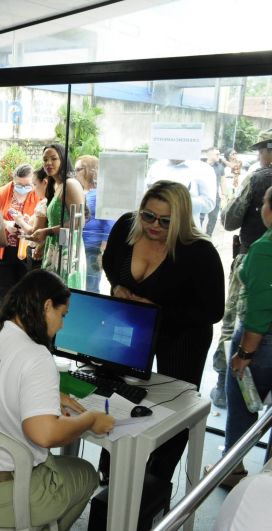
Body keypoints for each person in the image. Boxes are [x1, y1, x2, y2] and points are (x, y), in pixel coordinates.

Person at [0, 269, 114, 530]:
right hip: (4, 496)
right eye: (62, 315)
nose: (62, 325)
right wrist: (90, 420)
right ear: (46, 306)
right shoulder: (36, 356)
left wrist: (49, 394)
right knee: (86, 473)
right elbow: (44, 434)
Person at [102, 180, 224, 484]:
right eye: (148, 216)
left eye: (165, 221)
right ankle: (111, 466)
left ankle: (157, 480)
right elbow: (108, 262)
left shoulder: (199, 252)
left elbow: (212, 311)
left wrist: (158, 310)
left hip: (183, 335)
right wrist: (117, 286)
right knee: (116, 393)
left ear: (180, 219)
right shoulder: (126, 227)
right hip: (131, 326)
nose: (154, 225)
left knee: (174, 407)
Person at [211, 130, 272, 408]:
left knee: (231, 323)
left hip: (252, 260)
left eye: (261, 150)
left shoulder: (259, 179)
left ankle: (224, 385)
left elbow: (229, 219)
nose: (259, 156)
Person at [218, 185, 272, 487]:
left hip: (261, 345)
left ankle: (232, 470)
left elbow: (261, 309)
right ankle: (267, 483)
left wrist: (244, 354)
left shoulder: (266, 248)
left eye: (264, 202)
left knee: (241, 405)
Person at [30, 144, 86, 288]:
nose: (48, 163)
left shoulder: (70, 185)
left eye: (53, 159)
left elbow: (79, 223)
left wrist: (47, 232)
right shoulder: (56, 185)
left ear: (63, 160)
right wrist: (43, 243)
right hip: (56, 248)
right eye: (45, 160)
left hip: (68, 252)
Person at [0, 163, 40, 314]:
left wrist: (25, 222)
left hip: (26, 251)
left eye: (27, 184)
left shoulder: (37, 193)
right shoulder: (4, 192)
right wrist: (6, 224)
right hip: (3, 251)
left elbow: (41, 219)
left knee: (24, 292)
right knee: (3, 292)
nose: (23, 187)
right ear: (13, 180)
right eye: (19, 184)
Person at [75, 155, 114, 293]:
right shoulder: (81, 191)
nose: (75, 173)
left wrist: (103, 249)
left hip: (94, 246)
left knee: (91, 286)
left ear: (89, 170)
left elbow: (110, 221)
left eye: (78, 169)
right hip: (79, 244)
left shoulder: (101, 193)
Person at [145, 157, 216, 230]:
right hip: (154, 228)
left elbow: (208, 204)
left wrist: (178, 200)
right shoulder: (156, 167)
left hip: (185, 230)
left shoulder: (203, 169)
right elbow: (145, 197)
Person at [203, 147, 226, 236]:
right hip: (203, 196)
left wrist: (224, 195)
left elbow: (223, 181)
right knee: (200, 217)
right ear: (209, 155)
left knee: (213, 218)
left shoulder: (220, 167)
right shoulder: (201, 166)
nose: (219, 156)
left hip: (215, 196)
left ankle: (208, 236)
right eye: (217, 154)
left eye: (219, 154)